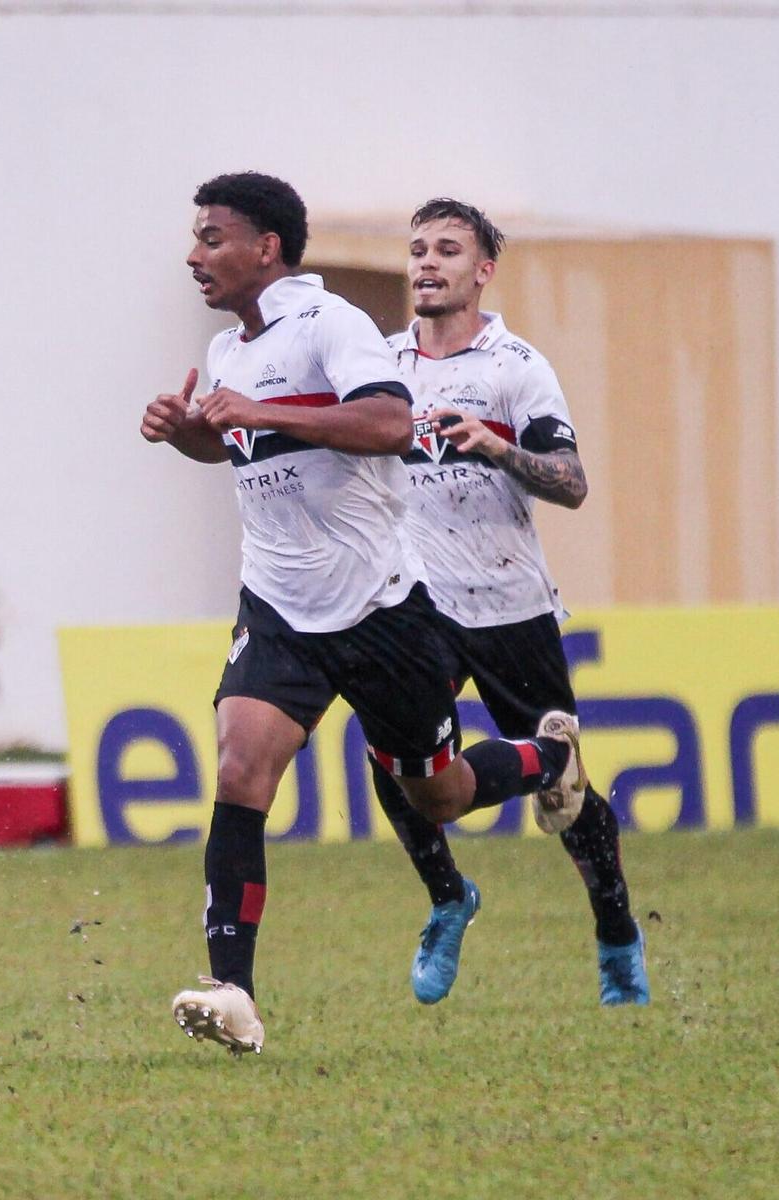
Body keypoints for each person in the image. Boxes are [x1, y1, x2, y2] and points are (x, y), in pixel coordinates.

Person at [141, 173, 589, 1057]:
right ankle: (233, 991)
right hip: (277, 605)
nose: (195, 255)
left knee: (442, 794)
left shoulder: (331, 324)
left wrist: (259, 411)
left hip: (382, 610)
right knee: (240, 766)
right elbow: (241, 443)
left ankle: (550, 755)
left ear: (266, 247)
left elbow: (391, 423)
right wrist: (187, 429)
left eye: (213, 237)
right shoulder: (230, 349)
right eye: (195, 238)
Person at [374, 198, 647, 1006]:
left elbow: (573, 484)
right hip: (413, 604)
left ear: (483, 270)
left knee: (571, 802)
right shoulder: (381, 364)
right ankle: (449, 898)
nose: (427, 262)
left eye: (448, 250)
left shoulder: (515, 365)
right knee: (395, 759)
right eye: (418, 248)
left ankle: (617, 934)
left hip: (505, 603)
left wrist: (497, 445)